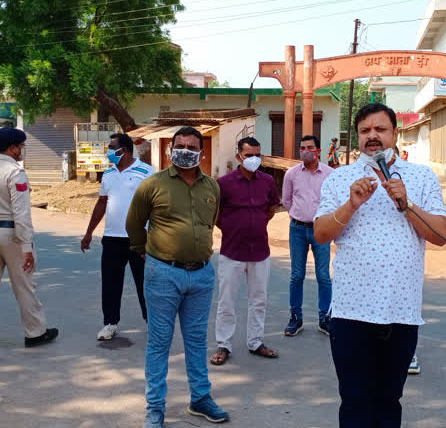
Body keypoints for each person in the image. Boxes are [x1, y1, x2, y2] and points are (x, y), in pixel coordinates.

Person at [314, 103, 446, 428]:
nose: (372, 136)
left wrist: (408, 204)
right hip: (351, 313)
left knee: (389, 402)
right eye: (365, 131)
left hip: (401, 311)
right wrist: (351, 204)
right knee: (355, 401)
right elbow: (320, 234)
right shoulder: (340, 179)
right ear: (358, 137)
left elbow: (441, 236)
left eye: (380, 129)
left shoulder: (420, 177)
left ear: (395, 133)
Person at [126, 126, 229, 428]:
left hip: (201, 275)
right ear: (171, 149)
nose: (185, 150)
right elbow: (134, 223)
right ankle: (155, 408)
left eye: (191, 146)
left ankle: (200, 398)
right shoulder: (153, 184)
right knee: (159, 342)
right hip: (163, 274)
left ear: (201, 152)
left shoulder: (212, 186)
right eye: (179, 145)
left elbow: (211, 222)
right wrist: (142, 250)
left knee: (197, 341)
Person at [0, 127, 58, 366]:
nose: (22, 151)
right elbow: (21, 213)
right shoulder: (15, 173)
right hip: (12, 234)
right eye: (21, 147)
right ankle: (35, 332)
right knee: (24, 285)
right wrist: (27, 246)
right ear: (13, 147)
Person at [210, 137, 280, 366]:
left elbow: (271, 208)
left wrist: (256, 224)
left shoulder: (268, 181)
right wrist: (232, 228)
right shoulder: (224, 183)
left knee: (258, 300)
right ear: (239, 155)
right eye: (249, 155)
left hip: (260, 250)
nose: (254, 159)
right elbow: (216, 214)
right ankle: (224, 344)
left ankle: (256, 342)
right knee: (226, 301)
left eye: (257, 155)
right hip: (232, 251)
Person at [80, 132, 153, 340]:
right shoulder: (109, 174)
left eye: (113, 148)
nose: (109, 152)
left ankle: (152, 322)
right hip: (112, 238)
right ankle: (110, 323)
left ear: (126, 150)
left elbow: (155, 204)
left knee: (145, 282)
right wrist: (88, 232)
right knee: (111, 283)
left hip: (140, 238)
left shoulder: (146, 171)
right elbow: (102, 203)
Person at [281, 135, 333, 336]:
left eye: (310, 147)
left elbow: (334, 201)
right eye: (302, 147)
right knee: (296, 275)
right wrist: (300, 215)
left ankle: (325, 318)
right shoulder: (291, 174)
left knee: (323, 276)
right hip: (297, 229)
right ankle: (296, 318)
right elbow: (286, 200)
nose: (305, 151)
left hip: (321, 229)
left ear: (318, 150)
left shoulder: (329, 174)